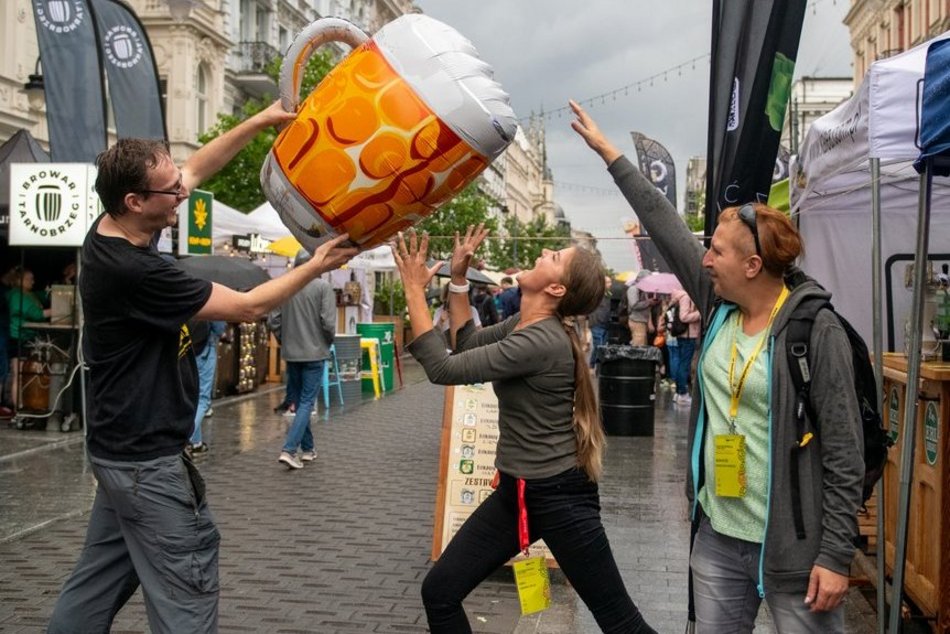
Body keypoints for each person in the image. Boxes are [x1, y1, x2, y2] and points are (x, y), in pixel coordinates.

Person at [47, 101, 358, 634]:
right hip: (146, 461)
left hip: (118, 454)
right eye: (169, 192)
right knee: (186, 586)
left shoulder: (117, 225)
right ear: (134, 201)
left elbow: (193, 169)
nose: (182, 194)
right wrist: (316, 265)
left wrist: (262, 120)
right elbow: (248, 307)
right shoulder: (133, 270)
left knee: (96, 583)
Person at [571, 100, 864, 634]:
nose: (705, 260)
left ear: (753, 266)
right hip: (718, 537)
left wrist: (836, 554)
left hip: (796, 551)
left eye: (720, 252)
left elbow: (845, 450)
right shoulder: (718, 303)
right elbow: (666, 226)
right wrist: (610, 154)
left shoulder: (813, 331)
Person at [392, 226, 656, 634]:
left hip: (561, 499)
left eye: (554, 257)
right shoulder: (524, 324)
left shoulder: (541, 340)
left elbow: (442, 368)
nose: (545, 249)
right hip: (517, 494)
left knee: (622, 624)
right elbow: (467, 345)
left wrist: (413, 288)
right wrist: (459, 280)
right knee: (440, 591)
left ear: (555, 288)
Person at [274, 249, 337, 470]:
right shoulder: (323, 287)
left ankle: (308, 449)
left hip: (292, 353)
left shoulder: (287, 286)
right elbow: (329, 323)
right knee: (307, 402)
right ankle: (289, 450)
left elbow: (274, 320)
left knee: (300, 402)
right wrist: (327, 342)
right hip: (315, 352)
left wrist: (286, 339)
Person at [7, 266, 51, 410]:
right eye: (29, 279)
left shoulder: (29, 294)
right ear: (20, 280)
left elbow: (45, 296)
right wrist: (57, 309)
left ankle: (28, 405)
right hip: (19, 338)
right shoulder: (16, 295)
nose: (33, 282)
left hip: (30, 337)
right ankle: (18, 408)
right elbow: (36, 314)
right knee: (19, 374)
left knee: (28, 374)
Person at [186, 319, 226, 455]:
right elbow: (218, 324)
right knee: (203, 399)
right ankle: (186, 439)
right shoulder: (206, 296)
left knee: (191, 396)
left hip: (184, 346)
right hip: (204, 346)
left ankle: (196, 442)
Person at [668, 288, 701, 407]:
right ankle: (682, 393)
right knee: (684, 364)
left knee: (682, 363)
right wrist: (699, 314)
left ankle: (678, 392)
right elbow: (684, 317)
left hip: (682, 334)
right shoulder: (686, 297)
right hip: (688, 334)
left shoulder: (679, 297)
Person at [586, 274, 612, 368]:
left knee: (602, 345)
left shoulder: (608, 294)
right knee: (598, 345)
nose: (610, 284)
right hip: (597, 322)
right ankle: (593, 365)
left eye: (610, 282)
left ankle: (595, 364)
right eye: (608, 282)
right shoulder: (596, 294)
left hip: (605, 323)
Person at [625, 272, 655, 345]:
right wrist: (648, 302)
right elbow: (634, 305)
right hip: (636, 320)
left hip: (642, 320)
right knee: (639, 345)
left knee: (642, 343)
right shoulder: (633, 289)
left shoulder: (643, 291)